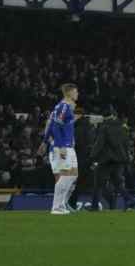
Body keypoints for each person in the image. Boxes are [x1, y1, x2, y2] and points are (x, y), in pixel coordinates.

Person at [40, 83, 80, 216]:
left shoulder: (66, 107)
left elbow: (52, 123)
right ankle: (56, 207)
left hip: (68, 146)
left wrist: (45, 142)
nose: (77, 94)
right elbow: (55, 125)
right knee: (66, 175)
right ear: (69, 93)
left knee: (73, 175)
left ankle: (62, 204)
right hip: (62, 147)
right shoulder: (63, 106)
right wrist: (61, 145)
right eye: (75, 91)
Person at [91, 106, 135, 211]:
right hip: (119, 160)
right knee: (118, 184)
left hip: (106, 160)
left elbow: (99, 144)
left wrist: (92, 156)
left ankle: (94, 207)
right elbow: (126, 144)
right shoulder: (122, 127)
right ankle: (129, 200)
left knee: (98, 184)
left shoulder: (104, 127)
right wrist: (126, 158)